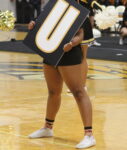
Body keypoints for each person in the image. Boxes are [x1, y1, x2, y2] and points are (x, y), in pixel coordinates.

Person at [27, 6, 96, 149]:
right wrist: (34, 25)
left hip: (69, 53)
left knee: (78, 92)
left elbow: (81, 34)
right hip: (51, 51)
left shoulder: (76, 8)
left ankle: (89, 135)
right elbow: (41, 22)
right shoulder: (53, 5)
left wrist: (72, 43)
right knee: (53, 92)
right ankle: (47, 127)